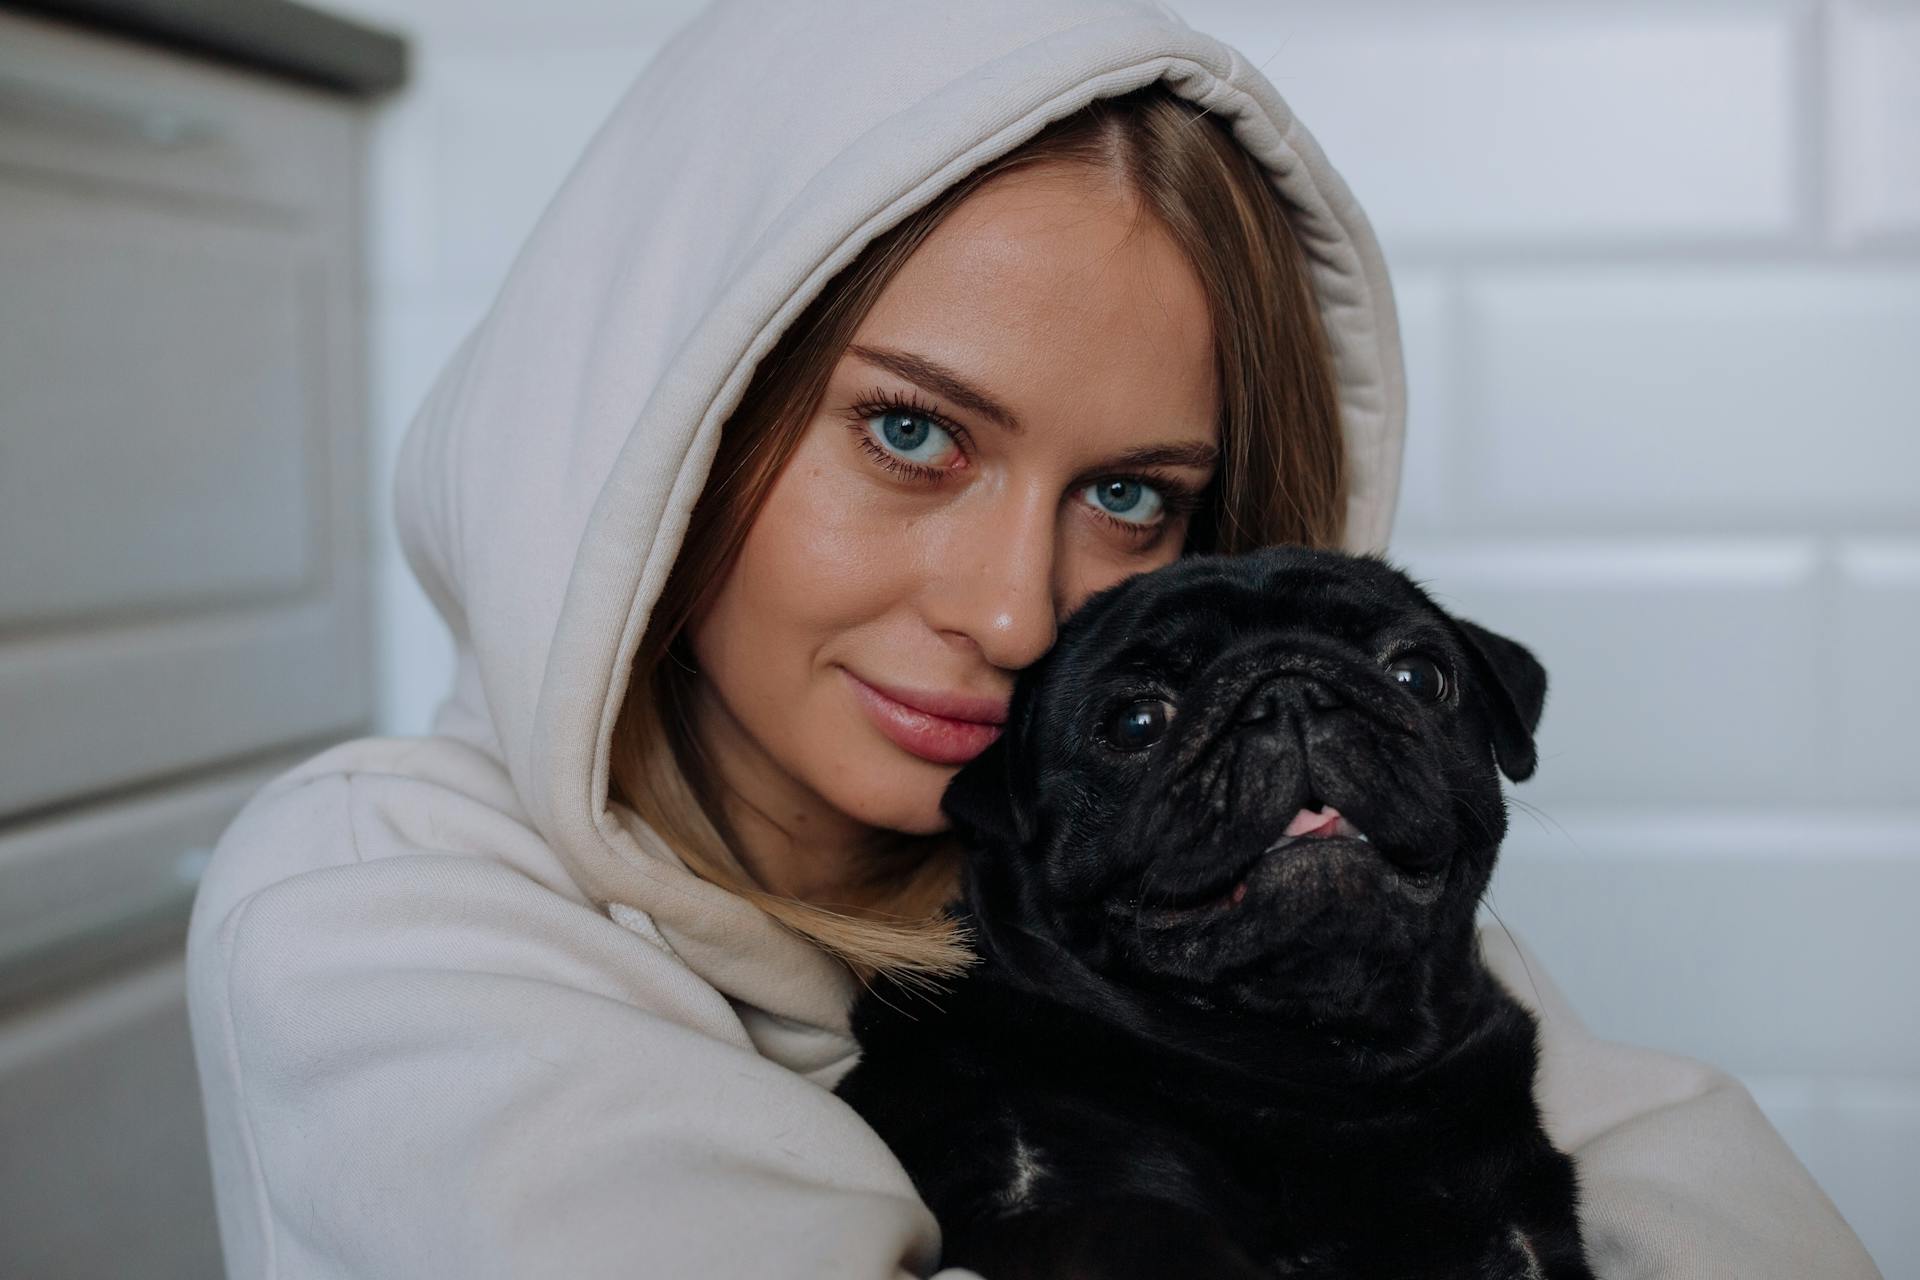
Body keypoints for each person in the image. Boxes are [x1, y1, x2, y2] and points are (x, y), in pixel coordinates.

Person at [182, 1, 1882, 1276]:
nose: (1013, 612)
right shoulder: (385, 908)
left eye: (1134, 496)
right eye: (911, 436)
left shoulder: (1218, 878)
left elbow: (1686, 1186)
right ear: (663, 413)